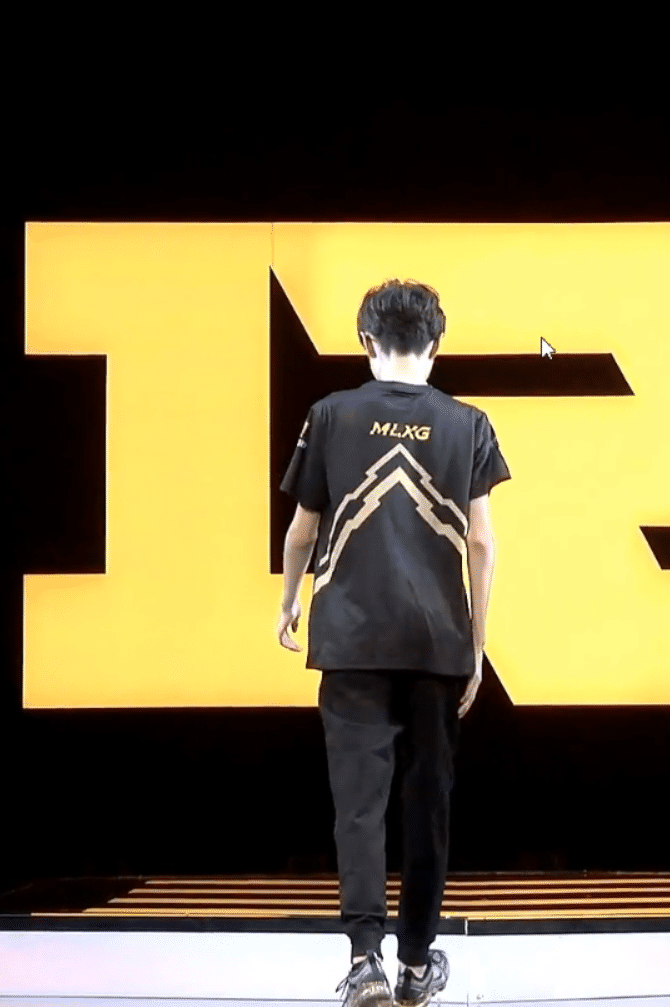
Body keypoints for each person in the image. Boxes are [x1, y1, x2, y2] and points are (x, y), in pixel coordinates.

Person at [277, 279, 508, 1007]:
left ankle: (364, 962)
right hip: (437, 643)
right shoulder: (468, 423)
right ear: (436, 345)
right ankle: (415, 964)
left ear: (365, 341)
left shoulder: (329, 414)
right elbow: (480, 542)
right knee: (427, 801)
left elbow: (304, 530)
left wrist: (289, 600)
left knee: (358, 803)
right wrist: (477, 643)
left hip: (350, 640)